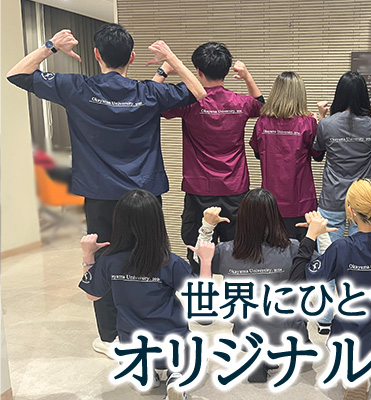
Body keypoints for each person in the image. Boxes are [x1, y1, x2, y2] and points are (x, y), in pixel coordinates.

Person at [6, 24, 206, 358]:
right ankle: (151, 328)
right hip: (144, 195)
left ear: (96, 54)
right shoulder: (148, 93)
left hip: (100, 194)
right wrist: (170, 60)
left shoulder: (77, 88)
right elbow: (199, 93)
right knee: (151, 258)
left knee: (104, 260)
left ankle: (111, 336)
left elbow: (16, 74)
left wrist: (50, 46)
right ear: (132, 57)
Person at [291, 180, 371, 400]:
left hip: (352, 334)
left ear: (351, 212)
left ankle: (356, 370)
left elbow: (297, 279)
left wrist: (311, 236)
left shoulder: (342, 249)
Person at [78, 189, 203, 399]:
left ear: (119, 222)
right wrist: (205, 261)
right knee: (194, 351)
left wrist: (87, 255)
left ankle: (145, 373)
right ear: (157, 223)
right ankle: (176, 376)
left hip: (133, 343)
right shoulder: (170, 262)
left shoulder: (109, 261)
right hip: (171, 341)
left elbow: (93, 295)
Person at [155, 42, 264, 268]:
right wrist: (247, 76)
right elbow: (262, 106)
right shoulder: (241, 102)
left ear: (198, 71)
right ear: (226, 72)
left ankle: (201, 287)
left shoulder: (189, 102)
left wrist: (163, 71)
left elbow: (152, 101)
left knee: (198, 254)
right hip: (235, 190)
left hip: (199, 191)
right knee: (237, 255)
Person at [191, 188, 309, 383]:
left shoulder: (226, 251)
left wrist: (207, 227)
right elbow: (326, 264)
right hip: (289, 331)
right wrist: (315, 233)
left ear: (242, 218)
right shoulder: (294, 249)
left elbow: (200, 257)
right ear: (276, 217)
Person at [313, 71, 371, 242]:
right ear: (363, 96)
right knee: (362, 249)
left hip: (333, 196)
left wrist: (321, 117)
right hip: (364, 197)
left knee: (328, 250)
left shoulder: (326, 124)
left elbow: (318, 151)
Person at [250, 71, 321, 240]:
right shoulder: (308, 123)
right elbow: (318, 155)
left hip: (270, 203)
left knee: (271, 250)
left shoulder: (262, 122)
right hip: (301, 203)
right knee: (302, 250)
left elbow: (258, 154)